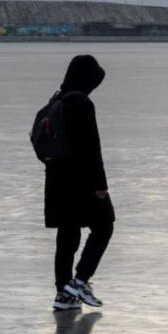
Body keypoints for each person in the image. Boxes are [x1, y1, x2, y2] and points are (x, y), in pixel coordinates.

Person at [46, 55, 115, 311]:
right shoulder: (82, 103)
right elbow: (91, 147)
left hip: (57, 178)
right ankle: (80, 281)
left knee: (67, 235)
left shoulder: (59, 99)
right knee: (105, 225)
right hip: (82, 179)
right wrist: (100, 184)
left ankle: (63, 294)